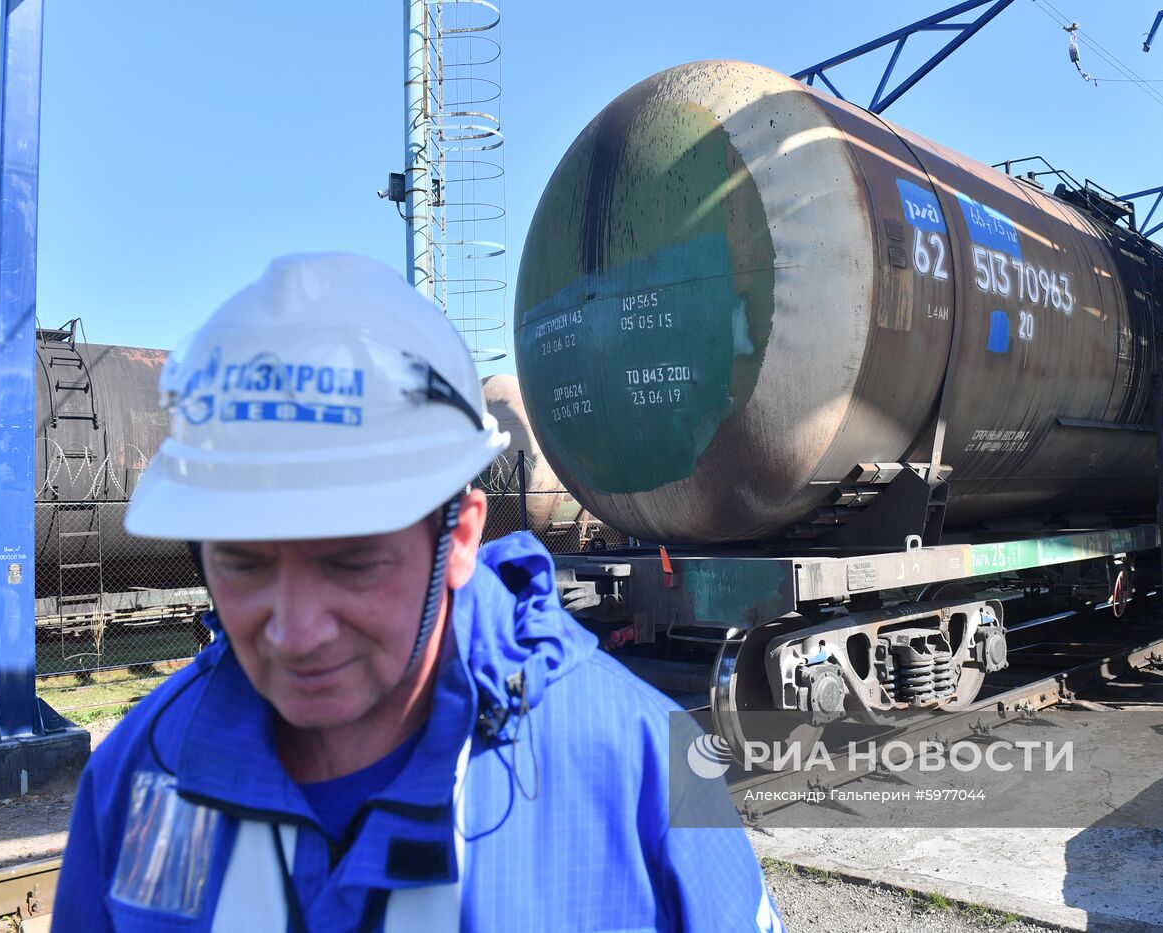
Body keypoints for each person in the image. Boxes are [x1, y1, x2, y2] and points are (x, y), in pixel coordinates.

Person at [54, 253, 784, 931]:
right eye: (245, 563)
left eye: (352, 561)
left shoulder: (643, 769)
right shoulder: (136, 775)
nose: (296, 630)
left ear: (460, 537)